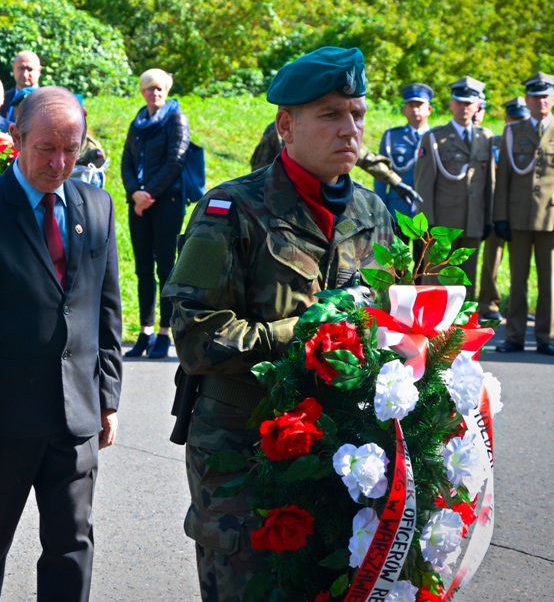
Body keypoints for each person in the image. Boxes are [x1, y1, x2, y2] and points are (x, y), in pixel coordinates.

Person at [162, 46, 393, 602]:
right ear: (286, 126)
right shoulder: (230, 211)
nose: (350, 129)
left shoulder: (373, 214)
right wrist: (307, 332)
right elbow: (196, 337)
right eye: (331, 115)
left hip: (344, 447)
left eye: (357, 114)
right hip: (245, 443)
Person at [0, 86, 122, 602]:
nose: (59, 163)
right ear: (16, 138)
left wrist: (108, 398)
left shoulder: (98, 206)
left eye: (72, 149)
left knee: (72, 545)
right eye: (46, 149)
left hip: (77, 416)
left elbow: (105, 312)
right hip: (1, 422)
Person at [493, 72, 554, 356]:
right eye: (535, 96)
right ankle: (514, 336)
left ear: (553, 99)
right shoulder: (512, 132)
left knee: (549, 283)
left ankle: (546, 337)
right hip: (518, 218)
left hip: (553, 219)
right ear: (527, 100)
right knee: (517, 282)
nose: (540, 101)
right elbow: (503, 177)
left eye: (545, 96)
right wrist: (500, 217)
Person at [120, 68, 190, 359]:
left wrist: (148, 195)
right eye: (149, 88)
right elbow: (126, 160)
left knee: (166, 269)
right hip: (138, 204)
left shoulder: (176, 118)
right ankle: (145, 331)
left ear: (167, 90)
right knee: (142, 270)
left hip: (167, 202)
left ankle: (164, 332)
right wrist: (135, 193)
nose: (155, 92)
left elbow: (177, 158)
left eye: (160, 88)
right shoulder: (138, 122)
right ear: (142, 92)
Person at [249, 107, 422, 210]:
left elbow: (363, 156)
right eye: (329, 114)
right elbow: (261, 166)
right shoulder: (279, 131)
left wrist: (395, 181)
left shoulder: (336, 133)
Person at [414, 76, 494, 294]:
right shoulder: (434, 138)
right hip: (442, 224)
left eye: (469, 103)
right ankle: (432, 329)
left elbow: (489, 183)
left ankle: (461, 328)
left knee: (466, 284)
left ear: (477, 106)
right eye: (459, 102)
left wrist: (488, 219)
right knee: (435, 284)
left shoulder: (485, 137)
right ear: (451, 104)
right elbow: (423, 184)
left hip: (473, 221)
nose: (464, 108)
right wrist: (426, 224)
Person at [477, 97, 530, 321]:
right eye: (512, 118)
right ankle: (489, 304)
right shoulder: (495, 142)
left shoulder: (531, 142)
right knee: (492, 260)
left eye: (521, 118)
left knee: (523, 264)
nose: (515, 122)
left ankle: (518, 308)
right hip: (496, 210)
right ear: (506, 118)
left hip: (521, 210)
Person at [375, 83, 433, 221]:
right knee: (395, 243)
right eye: (411, 105)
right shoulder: (391, 136)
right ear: (404, 110)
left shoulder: (437, 137)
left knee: (426, 243)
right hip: (398, 208)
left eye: (419, 105)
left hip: (428, 208)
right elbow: (380, 173)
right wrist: (380, 208)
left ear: (429, 109)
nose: (415, 110)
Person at [0, 50, 41, 122]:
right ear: (13, 68)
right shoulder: (1, 100)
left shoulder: (47, 100)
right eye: (21, 68)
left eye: (30, 69)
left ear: (39, 70)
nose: (25, 74)